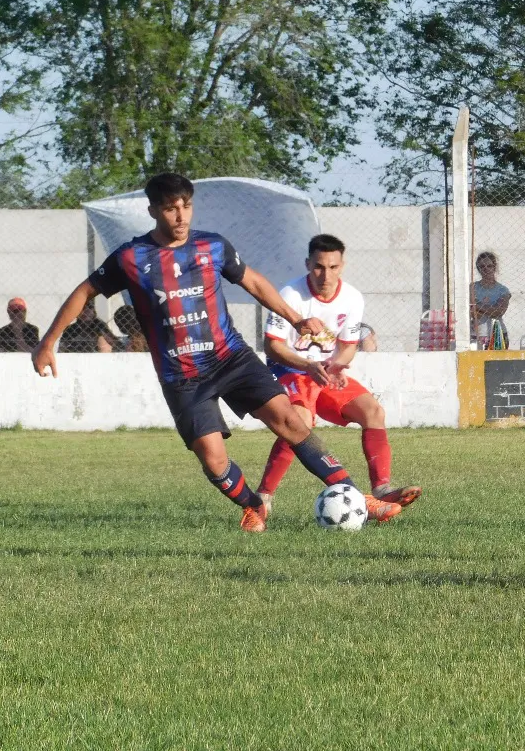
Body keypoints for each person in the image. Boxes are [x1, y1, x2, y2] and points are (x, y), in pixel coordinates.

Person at [31, 172, 402, 532]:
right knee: (213, 460)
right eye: (171, 209)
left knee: (292, 422)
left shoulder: (212, 246)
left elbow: (253, 280)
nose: (180, 217)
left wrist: (295, 319)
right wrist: (49, 342)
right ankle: (253, 505)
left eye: (186, 206)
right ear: (153, 211)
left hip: (231, 357)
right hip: (182, 376)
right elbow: (84, 292)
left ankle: (359, 496)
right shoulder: (131, 257)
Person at [254, 234, 421, 517]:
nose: (325, 274)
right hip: (291, 370)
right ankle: (262, 500)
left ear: (342, 265)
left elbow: (347, 348)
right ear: (308, 264)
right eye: (319, 266)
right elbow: (272, 346)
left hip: (326, 375)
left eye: (332, 267)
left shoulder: (352, 298)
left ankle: (381, 490)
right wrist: (307, 366)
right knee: (299, 421)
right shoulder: (290, 295)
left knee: (373, 411)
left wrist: (337, 366)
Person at [472, 251, 511, 349]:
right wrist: (490, 309)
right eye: (482, 267)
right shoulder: (472, 288)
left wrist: (477, 306)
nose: (486, 269)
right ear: (478, 268)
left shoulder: (503, 290)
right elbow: (471, 312)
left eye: (489, 266)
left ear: (494, 267)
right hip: (477, 335)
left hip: (498, 334)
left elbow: (499, 311)